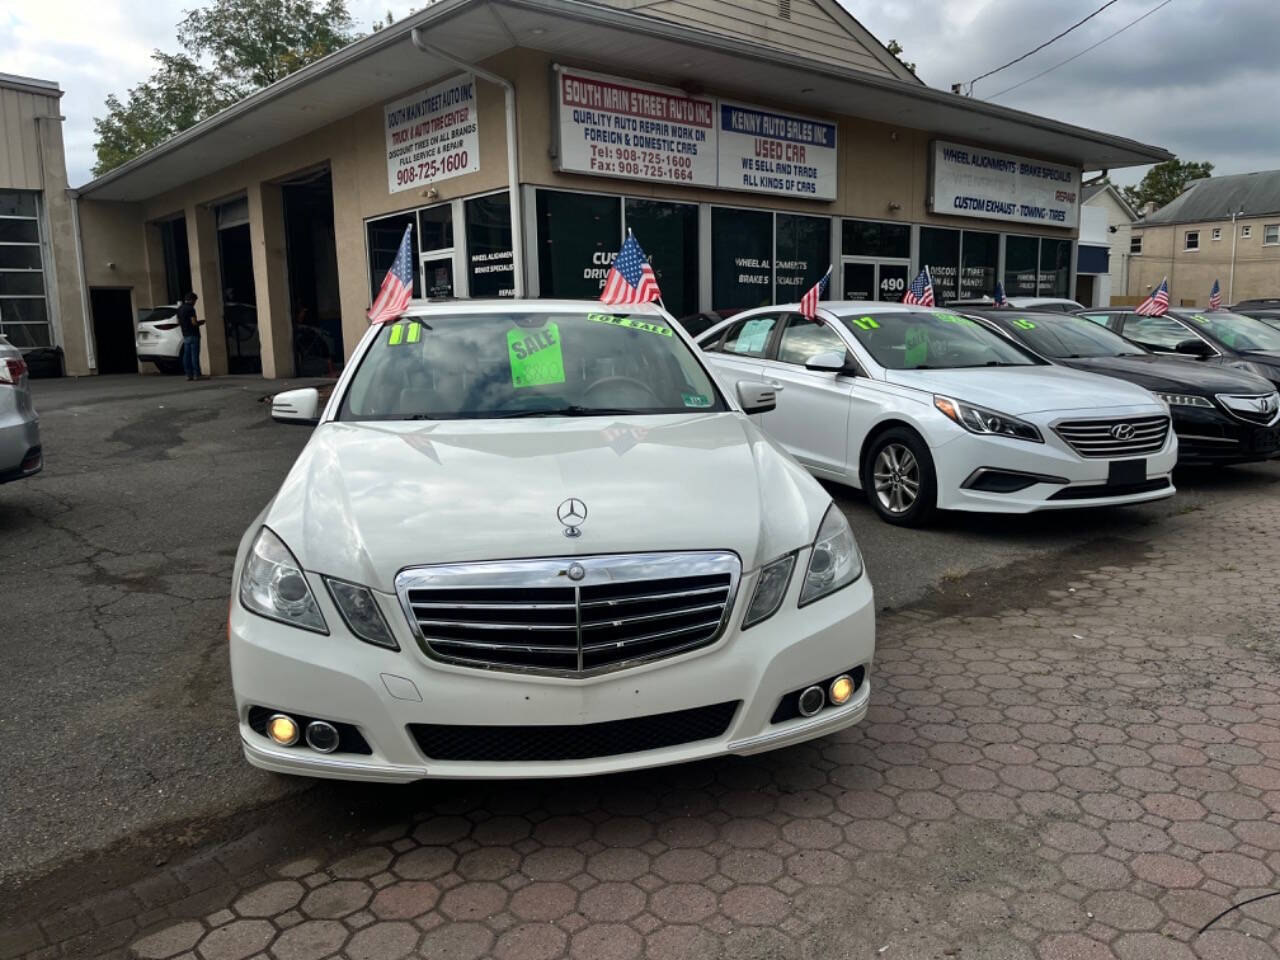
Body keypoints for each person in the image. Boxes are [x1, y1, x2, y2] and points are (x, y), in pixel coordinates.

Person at [176, 292, 205, 381]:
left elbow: (178, 322)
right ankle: (197, 374)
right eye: (195, 300)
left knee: (186, 356)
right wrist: (201, 322)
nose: (195, 302)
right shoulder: (191, 309)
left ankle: (188, 375)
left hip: (185, 335)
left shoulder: (180, 309)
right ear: (192, 300)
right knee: (194, 355)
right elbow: (194, 322)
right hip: (193, 334)